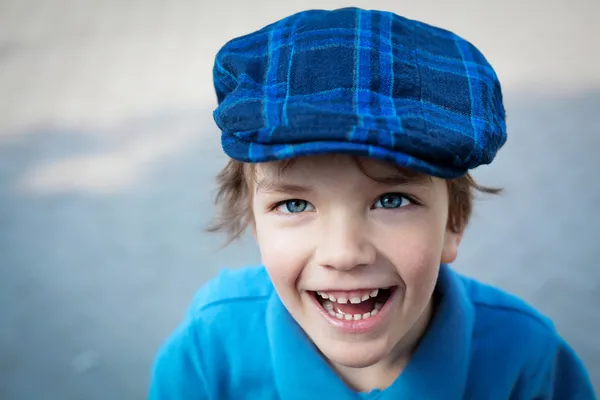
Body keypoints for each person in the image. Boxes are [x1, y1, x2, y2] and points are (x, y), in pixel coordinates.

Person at [149, 7, 596, 399]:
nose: (344, 254)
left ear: (454, 222)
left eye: (392, 199)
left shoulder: (526, 358)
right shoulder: (210, 350)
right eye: (295, 205)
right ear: (252, 221)